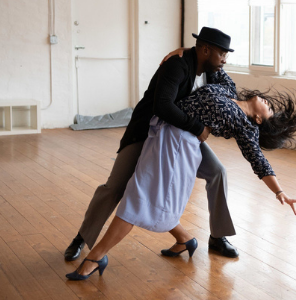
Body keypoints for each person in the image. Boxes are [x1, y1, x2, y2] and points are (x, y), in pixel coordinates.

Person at [65, 68, 296, 280]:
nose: (268, 102)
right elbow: (214, 62)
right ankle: (185, 240)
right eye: (270, 103)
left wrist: (279, 191)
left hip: (179, 144)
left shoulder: (246, 126)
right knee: (139, 193)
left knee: (144, 194)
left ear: (260, 120)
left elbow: (259, 161)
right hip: (164, 134)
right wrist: (182, 51)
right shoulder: (228, 89)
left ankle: (97, 257)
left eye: (269, 109)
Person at [64, 27, 240, 262]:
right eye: (222, 54)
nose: (225, 60)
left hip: (182, 138)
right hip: (148, 132)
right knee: (115, 186)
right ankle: (81, 238)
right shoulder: (176, 65)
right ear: (206, 50)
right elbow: (163, 106)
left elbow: (231, 91)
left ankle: (218, 237)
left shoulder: (214, 71)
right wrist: (199, 128)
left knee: (217, 172)